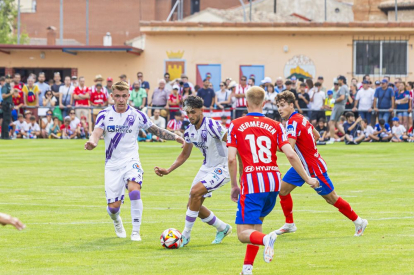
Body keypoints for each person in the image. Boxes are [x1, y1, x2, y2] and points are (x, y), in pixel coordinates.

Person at [227, 87, 319, 274]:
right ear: (264, 103)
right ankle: (247, 268)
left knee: (243, 234)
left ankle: (266, 239)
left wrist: (234, 185)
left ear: (246, 102)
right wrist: (307, 178)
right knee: (256, 226)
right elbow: (291, 155)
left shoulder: (235, 125)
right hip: (272, 181)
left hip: (253, 182)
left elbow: (230, 158)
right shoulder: (276, 125)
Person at [85, 81, 184, 241]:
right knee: (113, 208)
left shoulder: (137, 115)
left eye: (124, 96)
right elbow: (96, 133)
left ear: (128, 96)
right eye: (117, 96)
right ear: (112, 96)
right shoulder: (104, 114)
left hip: (131, 160)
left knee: (134, 190)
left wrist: (176, 137)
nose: (121, 99)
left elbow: (155, 130)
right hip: (112, 165)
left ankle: (135, 232)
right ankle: (117, 221)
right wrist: (93, 142)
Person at [275, 91, 368, 237]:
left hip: (313, 167)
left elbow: (289, 148)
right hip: (302, 165)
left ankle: (359, 221)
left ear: (291, 105)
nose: (279, 109)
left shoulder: (293, 122)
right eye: (278, 106)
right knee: (282, 190)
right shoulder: (301, 118)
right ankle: (289, 224)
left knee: (331, 198)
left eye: (282, 105)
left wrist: (271, 146)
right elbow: (316, 135)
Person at [155, 96, 232, 247]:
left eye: (193, 112)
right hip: (207, 167)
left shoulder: (212, 125)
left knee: (195, 192)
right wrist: (168, 170)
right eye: (187, 112)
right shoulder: (190, 131)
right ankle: (223, 228)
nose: (190, 116)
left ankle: (185, 236)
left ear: (201, 110)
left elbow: (232, 141)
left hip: (222, 167)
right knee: (192, 205)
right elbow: (185, 154)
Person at [327, 76, 348, 144]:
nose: (337, 81)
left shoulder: (343, 87)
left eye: (338, 80)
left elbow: (342, 97)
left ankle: (332, 138)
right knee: (337, 124)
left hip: (338, 106)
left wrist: (334, 100)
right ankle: (348, 136)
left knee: (331, 122)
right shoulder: (345, 87)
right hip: (341, 106)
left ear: (341, 80)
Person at [1, 75, 13, 139]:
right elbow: (3, 96)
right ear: (5, 79)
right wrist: (11, 93)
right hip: (6, 105)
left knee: (5, 120)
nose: (9, 80)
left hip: (8, 104)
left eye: (10, 78)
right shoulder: (5, 86)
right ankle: (5, 136)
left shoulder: (8, 86)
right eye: (7, 78)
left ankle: (3, 135)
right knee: (6, 120)